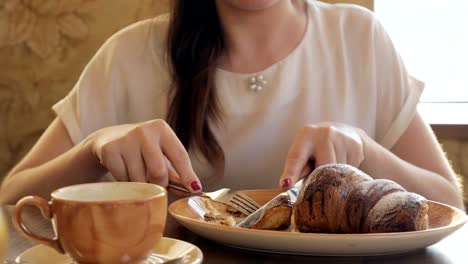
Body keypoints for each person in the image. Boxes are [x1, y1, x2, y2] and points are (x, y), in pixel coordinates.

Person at [0, 0, 464, 209]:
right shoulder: (128, 56)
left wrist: (364, 149)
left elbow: (449, 202)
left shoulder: (358, 38)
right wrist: (93, 147)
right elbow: (11, 199)